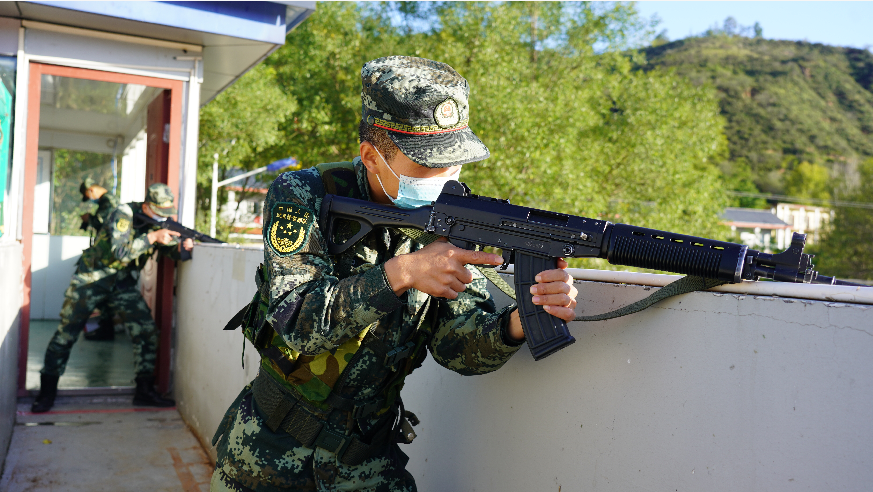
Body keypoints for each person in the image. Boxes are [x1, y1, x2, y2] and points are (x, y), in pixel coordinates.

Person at [209, 56, 579, 491]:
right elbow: (297, 323)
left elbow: (454, 347)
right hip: (264, 456)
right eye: (426, 165)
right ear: (371, 156)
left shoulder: (455, 219)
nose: (444, 179)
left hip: (367, 462)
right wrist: (402, 273)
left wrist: (519, 322)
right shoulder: (304, 194)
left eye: (454, 163)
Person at [31, 183, 194, 413]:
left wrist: (182, 248)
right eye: (159, 211)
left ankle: (144, 391)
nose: (162, 217)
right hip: (92, 278)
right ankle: (46, 393)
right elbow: (120, 252)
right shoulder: (123, 213)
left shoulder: (154, 223)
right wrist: (152, 237)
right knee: (67, 333)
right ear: (147, 206)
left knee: (146, 331)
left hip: (121, 282)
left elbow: (167, 250)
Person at [78, 178, 120, 341]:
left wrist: (89, 219)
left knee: (103, 290)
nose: (90, 200)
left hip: (107, 254)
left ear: (91, 190)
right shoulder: (108, 200)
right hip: (107, 253)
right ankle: (105, 328)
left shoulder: (107, 201)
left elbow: (102, 225)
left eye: (88, 196)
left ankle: (106, 330)